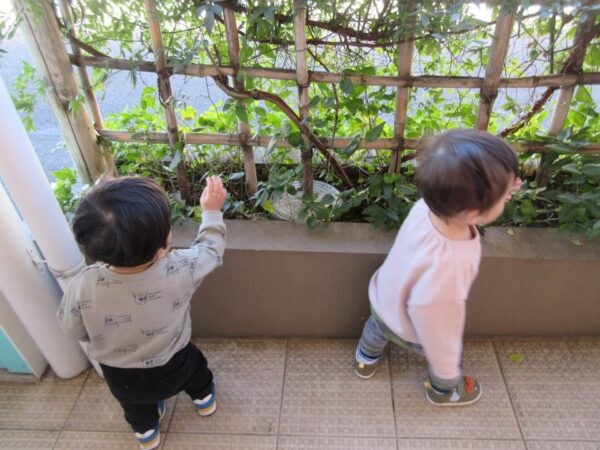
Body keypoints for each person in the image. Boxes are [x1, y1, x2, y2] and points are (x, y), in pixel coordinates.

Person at [58, 175, 227, 449]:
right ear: (161, 249)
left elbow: (72, 329)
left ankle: (147, 435)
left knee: (135, 407)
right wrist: (211, 211)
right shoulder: (181, 267)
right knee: (198, 374)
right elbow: (211, 250)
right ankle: (204, 401)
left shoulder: (82, 285)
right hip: (176, 361)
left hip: (120, 375)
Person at [354, 129, 522, 406]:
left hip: (383, 299)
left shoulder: (426, 207)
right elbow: (434, 319)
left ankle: (365, 360)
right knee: (449, 354)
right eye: (503, 194)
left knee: (375, 332)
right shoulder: (451, 261)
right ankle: (443, 392)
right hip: (413, 326)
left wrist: (498, 191)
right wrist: (447, 367)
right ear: (474, 213)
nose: (509, 195)